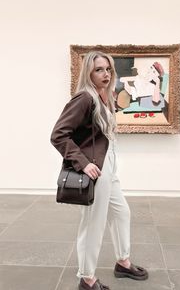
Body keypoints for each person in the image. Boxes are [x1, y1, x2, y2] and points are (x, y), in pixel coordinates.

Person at [50, 51, 148, 290]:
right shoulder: (84, 98)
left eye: (108, 69)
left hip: (109, 166)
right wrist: (83, 163)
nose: (106, 74)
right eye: (99, 70)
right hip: (96, 168)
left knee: (121, 213)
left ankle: (123, 262)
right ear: (89, 73)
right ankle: (86, 278)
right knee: (93, 222)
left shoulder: (106, 95)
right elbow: (58, 135)